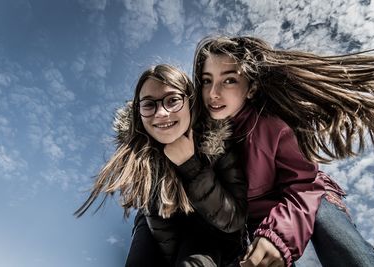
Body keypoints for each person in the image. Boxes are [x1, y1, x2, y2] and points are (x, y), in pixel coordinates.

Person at [191, 35, 374, 267]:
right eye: (207, 81)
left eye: (229, 80)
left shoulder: (273, 122)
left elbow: (304, 184)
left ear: (251, 88)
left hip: (307, 196)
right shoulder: (198, 133)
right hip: (247, 219)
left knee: (343, 245)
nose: (213, 93)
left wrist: (277, 236)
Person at [74, 64, 248, 267]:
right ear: (139, 113)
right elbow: (155, 230)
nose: (161, 113)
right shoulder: (142, 158)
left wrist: (190, 165)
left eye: (172, 100)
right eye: (149, 105)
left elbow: (234, 219)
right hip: (158, 235)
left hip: (214, 236)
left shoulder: (219, 144)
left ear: (190, 101)